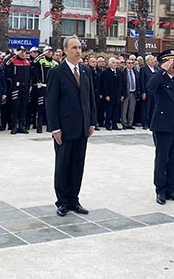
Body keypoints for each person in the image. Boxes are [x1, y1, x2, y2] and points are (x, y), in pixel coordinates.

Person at [46, 36, 97, 217]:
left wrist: (92, 122)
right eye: (74, 48)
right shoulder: (57, 72)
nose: (78, 51)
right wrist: (55, 128)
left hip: (82, 127)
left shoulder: (85, 71)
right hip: (64, 129)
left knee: (77, 165)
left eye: (80, 48)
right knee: (63, 165)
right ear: (65, 50)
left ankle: (74, 199)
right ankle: (62, 201)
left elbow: (90, 98)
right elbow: (51, 103)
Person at [147, 49, 174, 205]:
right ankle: (160, 189)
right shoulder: (159, 79)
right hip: (163, 125)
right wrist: (162, 70)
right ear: (164, 63)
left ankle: (171, 188)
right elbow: (150, 87)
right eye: (171, 62)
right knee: (162, 159)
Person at [6, 47, 31, 134]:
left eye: (24, 52)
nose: (23, 54)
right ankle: (14, 126)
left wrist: (30, 85)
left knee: (24, 106)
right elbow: (6, 64)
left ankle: (21, 125)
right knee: (15, 107)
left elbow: (30, 75)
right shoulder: (13, 61)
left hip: (25, 87)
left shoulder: (27, 61)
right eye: (21, 52)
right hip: (16, 87)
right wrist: (14, 55)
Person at [100, 57, 121, 130]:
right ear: (109, 64)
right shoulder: (106, 72)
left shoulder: (118, 72)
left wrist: (121, 94)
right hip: (109, 94)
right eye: (113, 63)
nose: (115, 64)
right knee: (109, 110)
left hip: (117, 94)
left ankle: (114, 124)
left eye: (116, 63)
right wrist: (106, 94)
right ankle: (108, 124)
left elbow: (120, 84)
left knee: (116, 110)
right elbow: (104, 84)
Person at [139, 55, 158, 130]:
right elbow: (142, 81)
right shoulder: (143, 69)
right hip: (147, 92)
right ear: (147, 61)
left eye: (153, 59)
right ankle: (145, 123)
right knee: (146, 108)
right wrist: (143, 92)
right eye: (151, 60)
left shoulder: (156, 69)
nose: (153, 61)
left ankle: (151, 122)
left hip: (154, 92)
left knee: (153, 108)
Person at [120, 58, 139, 129]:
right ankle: (124, 123)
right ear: (126, 64)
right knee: (124, 109)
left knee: (131, 109)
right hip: (126, 93)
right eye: (129, 63)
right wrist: (122, 94)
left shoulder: (135, 71)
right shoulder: (123, 72)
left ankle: (130, 123)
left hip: (133, 92)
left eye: (132, 63)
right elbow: (121, 84)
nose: (130, 65)